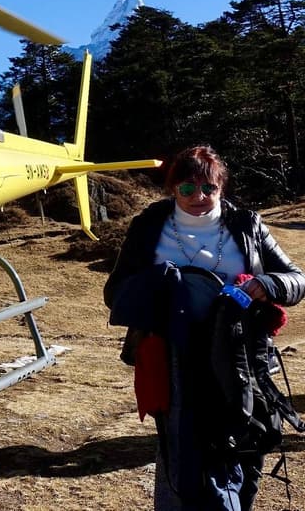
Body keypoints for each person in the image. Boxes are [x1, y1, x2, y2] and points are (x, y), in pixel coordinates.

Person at [104, 144, 305, 510]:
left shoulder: (247, 224)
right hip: (172, 357)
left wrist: (267, 285)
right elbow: (115, 293)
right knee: (182, 448)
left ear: (221, 188)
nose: (199, 196)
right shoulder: (149, 225)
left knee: (247, 435)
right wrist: (163, 288)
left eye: (209, 188)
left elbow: (296, 279)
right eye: (187, 188)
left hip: (242, 354)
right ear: (172, 189)